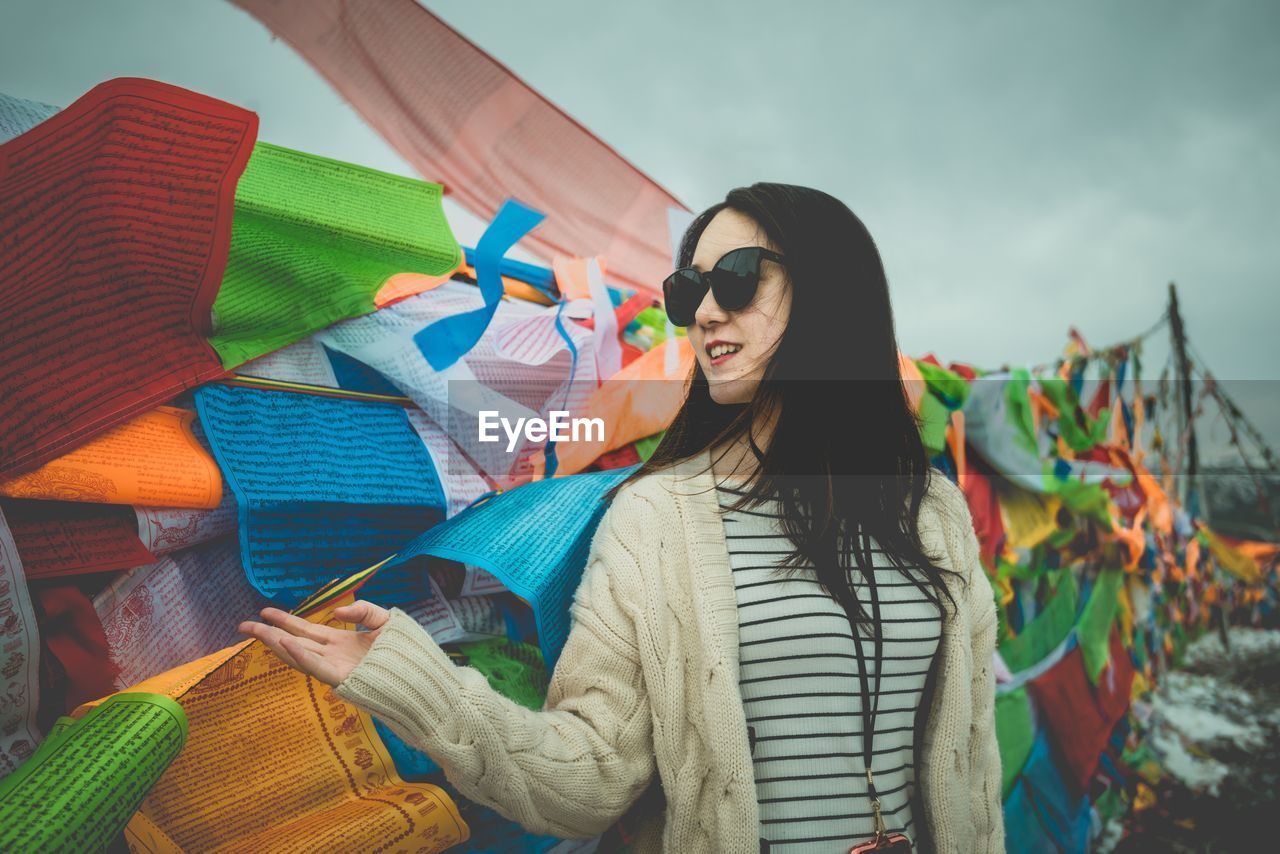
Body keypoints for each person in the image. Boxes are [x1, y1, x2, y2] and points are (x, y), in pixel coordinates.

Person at [239, 183, 1004, 853]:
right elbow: (592, 778)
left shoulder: (932, 512)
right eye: (687, 290)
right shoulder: (656, 518)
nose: (704, 312)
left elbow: (972, 770)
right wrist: (419, 687)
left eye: (736, 280)